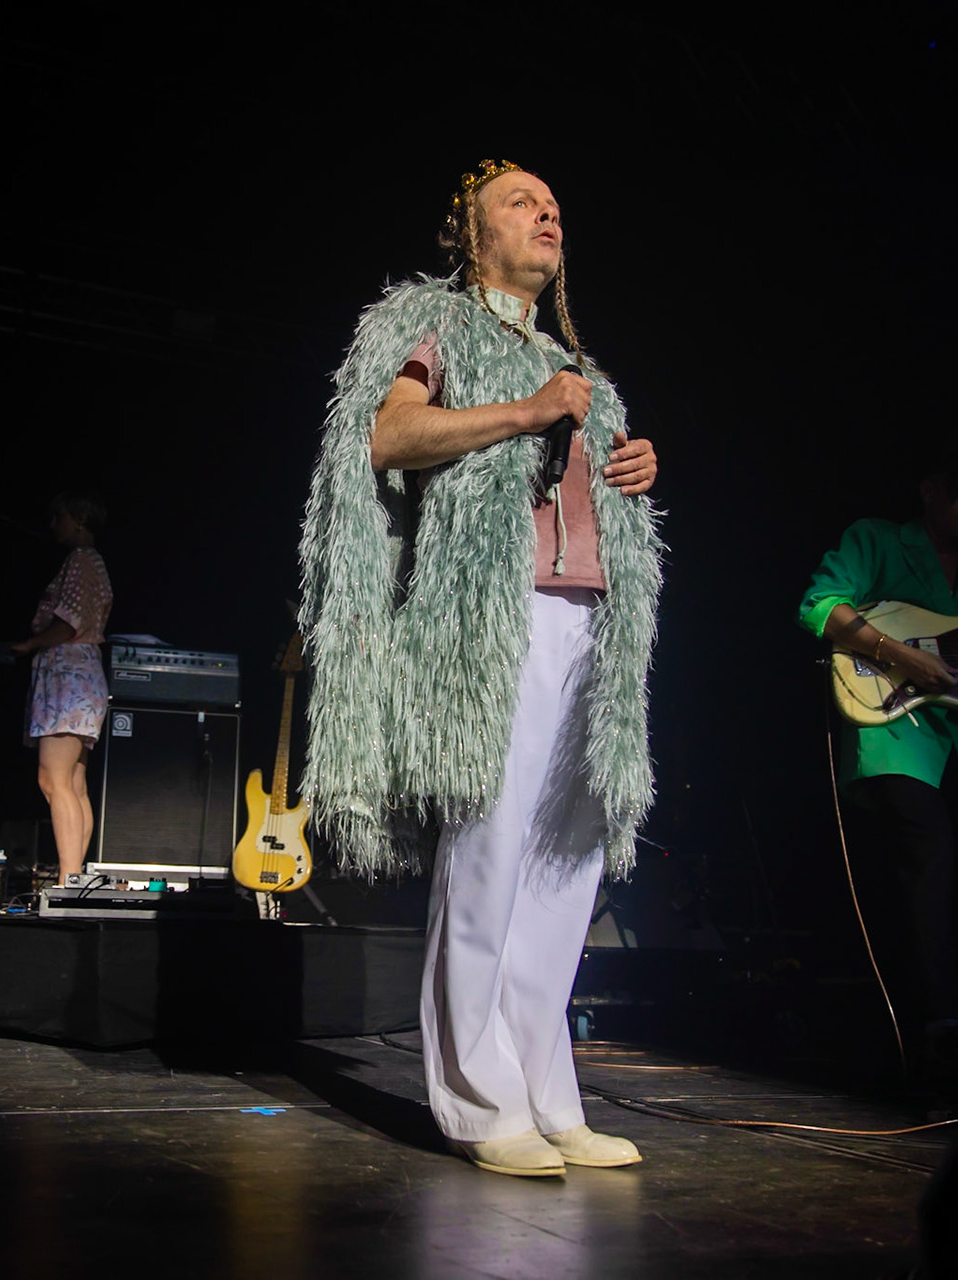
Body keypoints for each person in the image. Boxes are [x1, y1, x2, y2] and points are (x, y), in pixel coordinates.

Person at [298, 160, 663, 1177]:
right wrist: (526, 411)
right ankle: (476, 1098)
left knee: (564, 867)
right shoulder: (433, 324)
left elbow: (588, 467)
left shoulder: (574, 368)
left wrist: (627, 465)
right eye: (522, 200)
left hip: (588, 625)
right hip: (488, 625)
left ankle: (550, 1093)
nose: (548, 213)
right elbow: (385, 436)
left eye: (555, 205)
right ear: (469, 229)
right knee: (492, 855)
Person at [797, 453, 958, 1088]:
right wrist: (899, 655)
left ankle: (952, 1031)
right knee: (928, 857)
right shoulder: (878, 541)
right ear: (930, 491)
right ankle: (938, 1030)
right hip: (892, 732)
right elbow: (818, 605)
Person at [12, 493, 113, 883]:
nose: (54, 525)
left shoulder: (83, 561)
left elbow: (70, 622)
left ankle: (69, 881)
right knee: (71, 781)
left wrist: (31, 643)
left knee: (54, 779)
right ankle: (73, 879)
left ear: (81, 518)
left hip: (69, 674)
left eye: (60, 517)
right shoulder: (90, 563)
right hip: (76, 675)